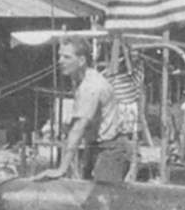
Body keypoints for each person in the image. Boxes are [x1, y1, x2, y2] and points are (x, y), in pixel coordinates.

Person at [56, 40, 133, 184]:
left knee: (101, 195)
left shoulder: (90, 86)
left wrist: (61, 169)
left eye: (67, 57)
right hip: (95, 147)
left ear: (81, 61)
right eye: (60, 56)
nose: (60, 61)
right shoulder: (83, 80)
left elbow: (79, 128)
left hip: (110, 149)